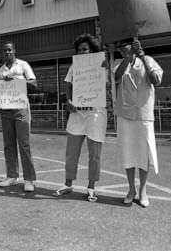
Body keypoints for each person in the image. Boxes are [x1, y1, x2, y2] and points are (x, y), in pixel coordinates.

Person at [54, 34, 107, 202]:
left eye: (85, 49)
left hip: (95, 113)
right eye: (79, 50)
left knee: (94, 154)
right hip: (77, 113)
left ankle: (91, 187)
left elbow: (108, 83)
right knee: (71, 152)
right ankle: (68, 183)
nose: (82, 52)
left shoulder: (102, 65)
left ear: (92, 50)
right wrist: (68, 101)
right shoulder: (73, 67)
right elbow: (68, 86)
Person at [114, 38, 163, 208]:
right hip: (125, 114)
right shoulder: (120, 63)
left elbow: (156, 80)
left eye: (124, 45)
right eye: (119, 47)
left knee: (143, 153)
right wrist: (127, 58)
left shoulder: (148, 60)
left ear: (133, 45)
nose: (121, 49)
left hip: (143, 114)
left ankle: (143, 190)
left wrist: (143, 59)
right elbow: (115, 77)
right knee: (128, 153)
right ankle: (131, 189)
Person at [0, 42, 38, 192]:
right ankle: (12, 176)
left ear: (14, 51)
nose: (7, 52)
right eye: (5, 50)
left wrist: (17, 80)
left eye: (10, 50)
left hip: (21, 108)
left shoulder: (23, 65)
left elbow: (34, 84)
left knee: (24, 144)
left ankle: (29, 179)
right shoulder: (0, 71)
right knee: (8, 145)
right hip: (6, 110)